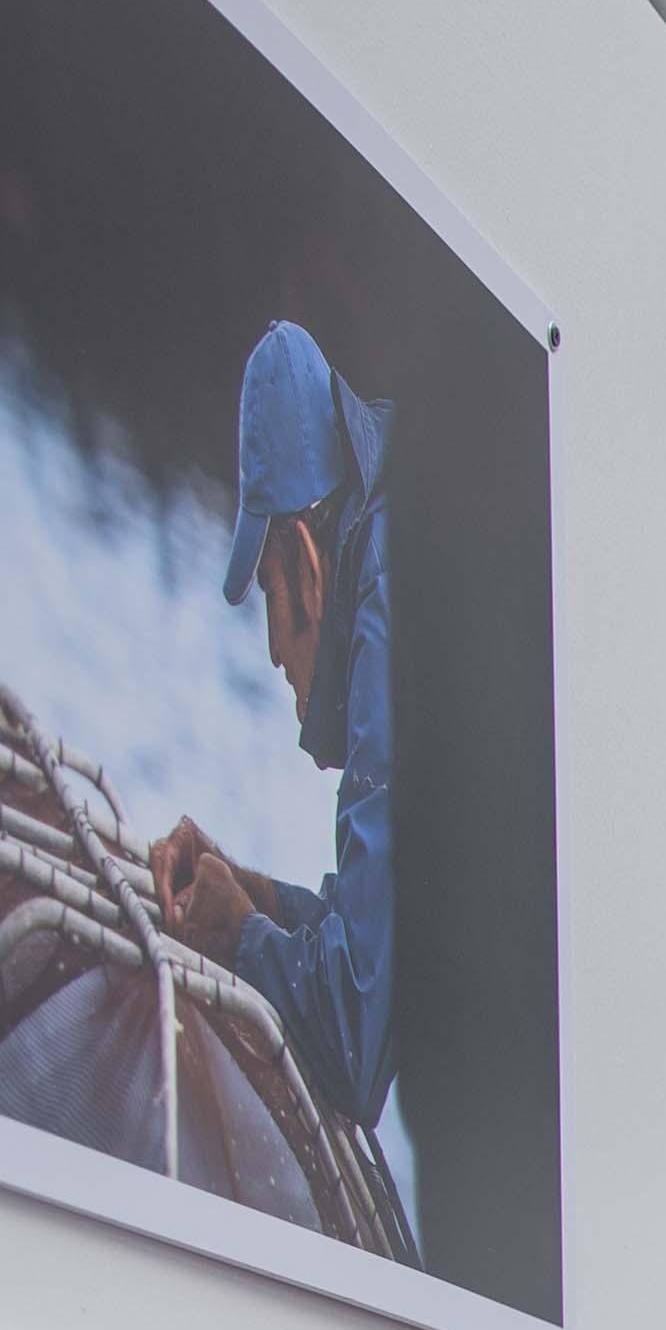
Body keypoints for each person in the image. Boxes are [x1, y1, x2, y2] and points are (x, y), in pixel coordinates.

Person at [146, 319, 399, 1134]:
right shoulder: (405, 549)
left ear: (305, 562)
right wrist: (248, 895)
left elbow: (358, 1038)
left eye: (266, 593)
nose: (271, 651)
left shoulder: (388, 624)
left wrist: (238, 938)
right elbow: (382, 940)